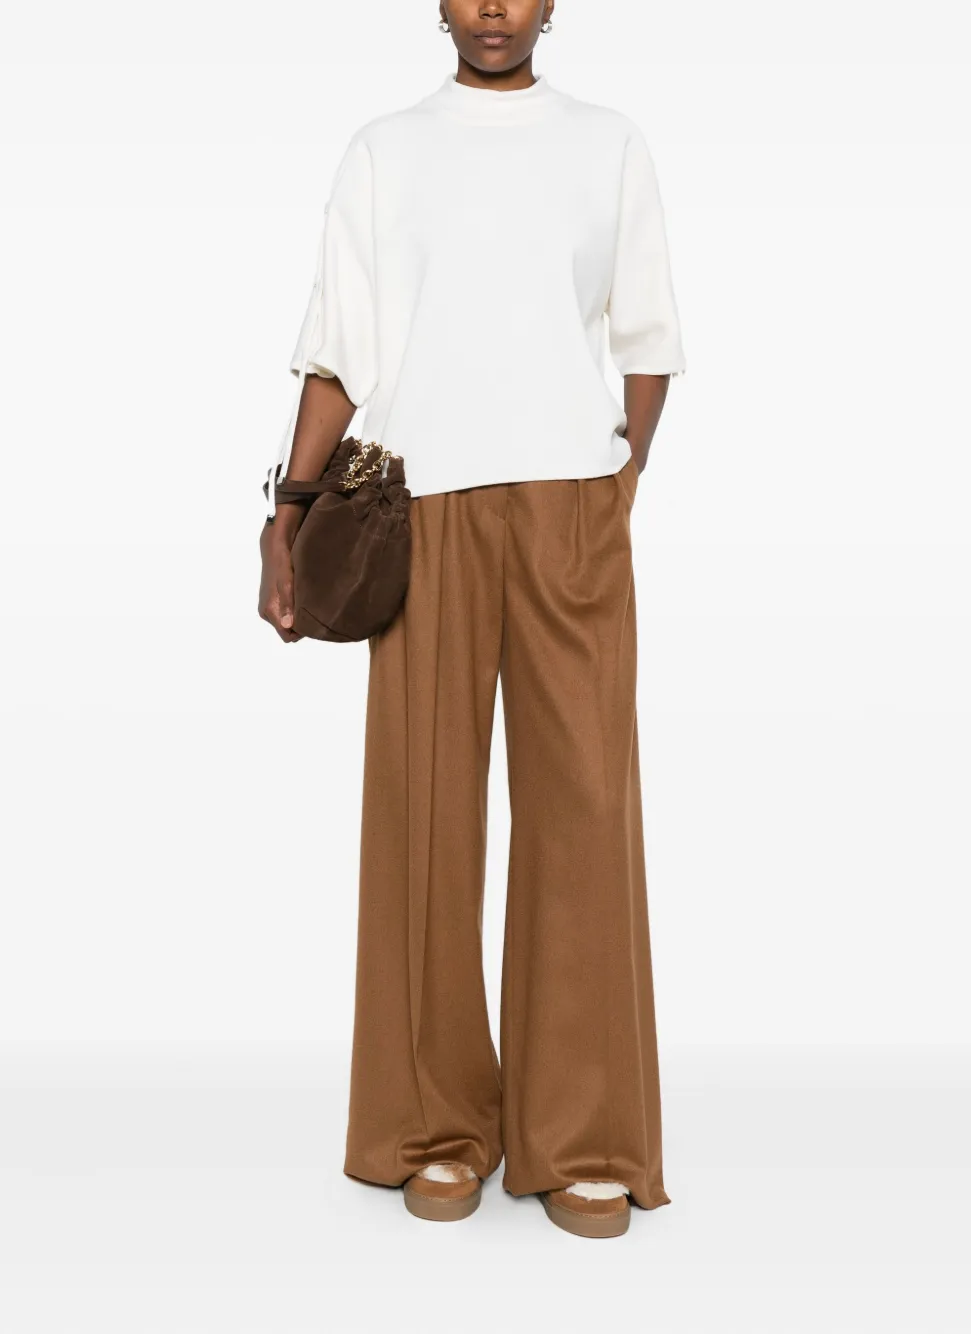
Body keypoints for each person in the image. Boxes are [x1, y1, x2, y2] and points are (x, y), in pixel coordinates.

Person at [258, 0, 685, 1240]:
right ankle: (437, 1124)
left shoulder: (608, 142)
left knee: (583, 809)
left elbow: (649, 335)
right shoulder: (385, 150)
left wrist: (617, 483)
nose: (493, 7)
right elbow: (338, 351)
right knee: (425, 812)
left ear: (554, 6)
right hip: (419, 506)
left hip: (570, 506)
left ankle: (585, 1135)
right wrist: (286, 512)